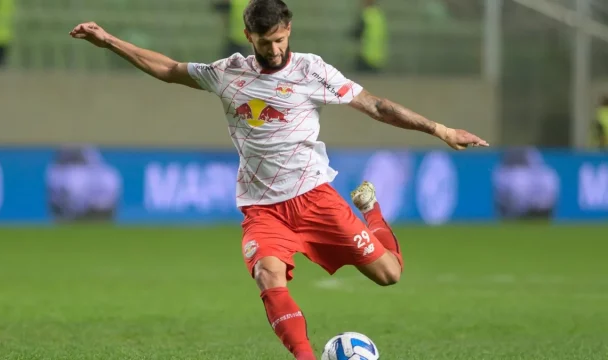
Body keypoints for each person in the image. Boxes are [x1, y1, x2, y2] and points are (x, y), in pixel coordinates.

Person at [69, 1, 489, 358]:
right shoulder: (228, 73)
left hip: (315, 199)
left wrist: (441, 130)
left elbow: (376, 106)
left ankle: (370, 209)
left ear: (289, 30)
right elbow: (168, 68)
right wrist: (108, 41)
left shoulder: (312, 71)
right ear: (248, 35)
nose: (274, 49)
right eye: (264, 41)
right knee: (266, 275)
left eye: (280, 40)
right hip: (263, 210)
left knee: (389, 274)